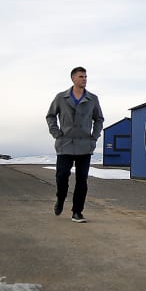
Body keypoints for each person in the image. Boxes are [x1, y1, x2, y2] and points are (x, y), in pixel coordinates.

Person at [46, 66, 104, 223]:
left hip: (85, 145)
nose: (84, 79)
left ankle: (77, 212)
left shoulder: (92, 99)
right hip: (65, 144)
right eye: (81, 76)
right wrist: (56, 133)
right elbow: (51, 116)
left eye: (85, 76)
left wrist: (94, 137)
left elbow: (99, 119)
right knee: (62, 175)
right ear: (73, 78)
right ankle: (60, 198)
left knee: (82, 180)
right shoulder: (61, 97)